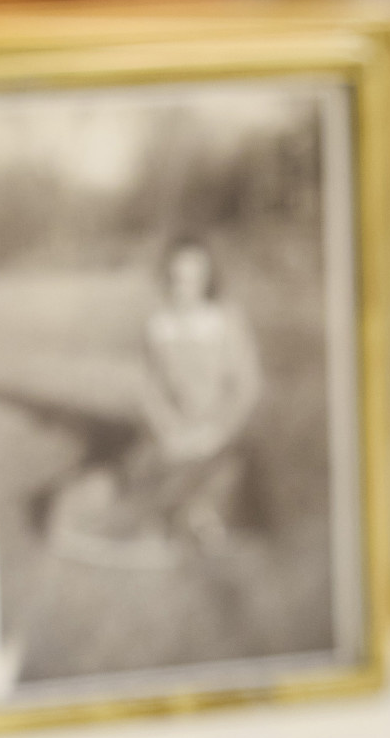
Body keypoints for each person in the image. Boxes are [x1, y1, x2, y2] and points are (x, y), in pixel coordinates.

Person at [47, 237, 263, 567]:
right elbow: (148, 389)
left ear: (208, 279)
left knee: (220, 485)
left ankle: (191, 520)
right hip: (171, 432)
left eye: (194, 278)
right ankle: (128, 527)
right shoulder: (158, 325)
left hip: (219, 434)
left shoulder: (225, 320)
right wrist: (167, 429)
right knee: (134, 477)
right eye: (176, 277)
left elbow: (247, 386)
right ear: (165, 277)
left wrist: (214, 431)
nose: (183, 287)